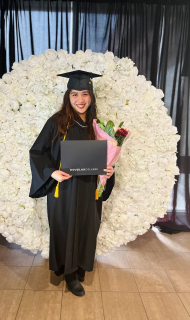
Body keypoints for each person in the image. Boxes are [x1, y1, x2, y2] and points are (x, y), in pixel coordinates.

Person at [29, 70, 115, 297]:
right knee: (66, 228)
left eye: (85, 94)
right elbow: (38, 153)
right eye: (75, 94)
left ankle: (79, 266)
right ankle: (68, 272)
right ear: (68, 96)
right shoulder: (57, 122)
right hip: (64, 190)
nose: (80, 99)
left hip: (89, 189)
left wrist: (109, 170)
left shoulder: (98, 126)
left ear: (91, 96)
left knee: (88, 227)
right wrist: (51, 172)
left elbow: (107, 157)